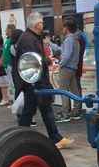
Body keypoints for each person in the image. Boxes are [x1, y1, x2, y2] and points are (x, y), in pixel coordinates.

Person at [16, 13, 74, 149]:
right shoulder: (28, 39)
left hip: (37, 82)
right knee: (30, 111)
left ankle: (55, 138)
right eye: (42, 22)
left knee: (44, 109)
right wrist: (48, 60)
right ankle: (20, 138)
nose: (43, 24)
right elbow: (32, 61)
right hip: (34, 83)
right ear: (37, 25)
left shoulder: (31, 38)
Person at [51, 18, 82, 123]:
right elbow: (64, 51)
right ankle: (76, 110)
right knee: (74, 90)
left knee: (63, 91)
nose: (62, 29)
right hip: (73, 68)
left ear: (67, 28)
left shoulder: (69, 39)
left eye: (64, 27)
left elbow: (66, 55)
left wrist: (61, 63)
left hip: (66, 68)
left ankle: (65, 113)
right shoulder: (75, 38)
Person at [3, 24, 16, 98]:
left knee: (13, 83)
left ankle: (15, 100)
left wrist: (9, 63)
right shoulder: (7, 39)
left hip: (10, 64)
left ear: (10, 30)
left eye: (6, 29)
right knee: (10, 84)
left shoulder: (11, 40)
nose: (5, 30)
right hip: (6, 65)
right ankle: (13, 99)